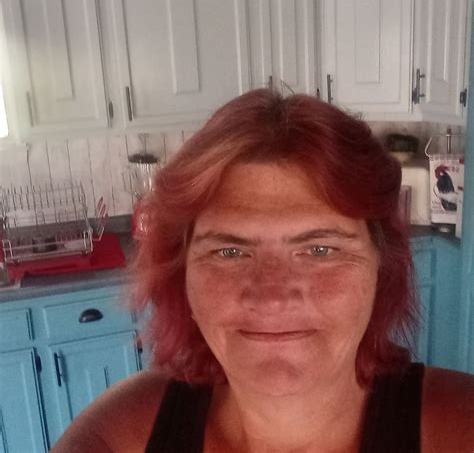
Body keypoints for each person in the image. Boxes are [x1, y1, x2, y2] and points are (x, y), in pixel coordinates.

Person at [52, 89, 474, 452]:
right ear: (182, 274)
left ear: (382, 268)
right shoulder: (120, 436)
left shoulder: (459, 429)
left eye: (320, 249)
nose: (272, 297)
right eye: (230, 252)